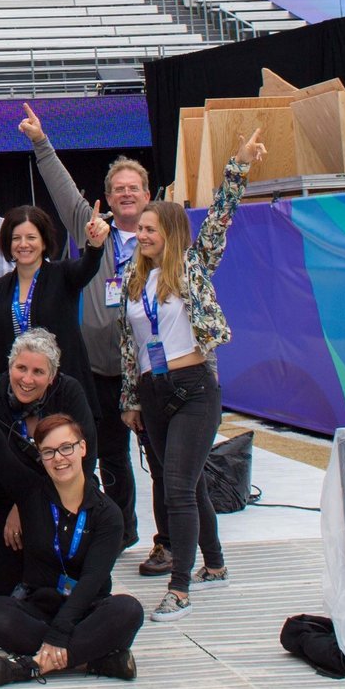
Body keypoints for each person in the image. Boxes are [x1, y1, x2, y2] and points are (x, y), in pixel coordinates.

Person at [123, 130, 264, 620]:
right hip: (152, 390)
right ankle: (216, 562)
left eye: (149, 230)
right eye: (138, 230)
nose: (141, 237)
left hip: (194, 389)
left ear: (171, 233)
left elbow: (222, 215)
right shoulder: (133, 280)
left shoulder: (193, 265)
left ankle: (180, 587)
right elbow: (130, 345)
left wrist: (239, 165)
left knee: (180, 486)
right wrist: (131, 399)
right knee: (184, 482)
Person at [18, 100, 164, 570]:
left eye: (134, 188)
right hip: (97, 367)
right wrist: (41, 142)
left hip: (148, 369)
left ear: (148, 194)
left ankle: (168, 541)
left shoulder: (161, 238)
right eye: (118, 189)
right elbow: (61, 191)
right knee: (109, 456)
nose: (126, 194)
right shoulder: (93, 229)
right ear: (108, 196)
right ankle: (118, 531)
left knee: (162, 462)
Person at [0, 397, 142, 686]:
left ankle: (31, 666)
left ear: (83, 449)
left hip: (85, 609)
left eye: (66, 448)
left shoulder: (107, 514)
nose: (59, 458)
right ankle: (95, 659)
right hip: (39, 608)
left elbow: (91, 581)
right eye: (48, 452)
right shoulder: (31, 492)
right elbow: (0, 453)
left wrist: (59, 634)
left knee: (128, 610)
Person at [0, 333, 99, 606]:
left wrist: (25, 505)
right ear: (10, 368)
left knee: (54, 591)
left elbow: (86, 461)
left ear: (52, 377)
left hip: (58, 494)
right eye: (21, 368)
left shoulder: (69, 392)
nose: (27, 380)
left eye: (38, 372)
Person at [0, 204, 107, 413]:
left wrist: (94, 246)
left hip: (60, 394)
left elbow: (86, 268)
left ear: (44, 241)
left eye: (31, 237)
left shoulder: (63, 274)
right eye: (16, 238)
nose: (23, 244)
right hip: (15, 395)